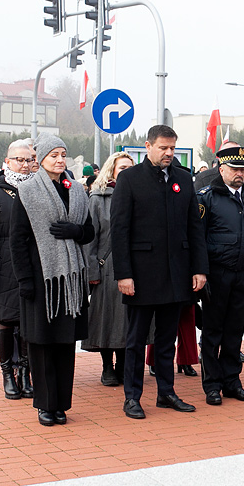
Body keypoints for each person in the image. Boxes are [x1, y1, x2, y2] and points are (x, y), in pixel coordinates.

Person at [111, 125, 208, 419]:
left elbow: (195, 227)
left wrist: (199, 269)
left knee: (167, 339)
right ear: (148, 146)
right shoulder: (129, 179)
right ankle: (132, 397)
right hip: (141, 275)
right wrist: (123, 274)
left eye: (172, 148)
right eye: (163, 147)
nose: (169, 153)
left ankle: (166, 392)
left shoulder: (182, 179)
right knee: (136, 340)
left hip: (177, 274)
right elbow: (119, 230)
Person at [6, 134, 92, 425]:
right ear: (41, 159)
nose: (59, 160)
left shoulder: (77, 190)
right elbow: (17, 240)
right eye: (53, 155)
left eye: (63, 154)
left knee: (65, 344)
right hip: (42, 280)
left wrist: (75, 232)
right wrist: (25, 280)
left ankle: (61, 404)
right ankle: (45, 404)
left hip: (70, 281)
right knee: (42, 344)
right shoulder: (28, 192)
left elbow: (89, 232)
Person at [197, 145, 244, 405]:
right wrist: (200, 273)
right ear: (222, 169)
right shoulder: (207, 197)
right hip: (217, 274)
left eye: (243, 169)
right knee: (213, 331)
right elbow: (198, 240)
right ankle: (212, 385)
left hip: (242, 274)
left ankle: (231, 381)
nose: (240, 173)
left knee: (234, 332)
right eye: (235, 169)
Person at [0, 139, 36, 401]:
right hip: (2, 267)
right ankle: (7, 374)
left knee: (26, 322)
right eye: (20, 160)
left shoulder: (37, 190)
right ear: (7, 162)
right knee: (5, 320)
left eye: (29, 159)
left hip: (30, 266)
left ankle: (25, 373)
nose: (25, 165)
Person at [82, 151, 134, 387]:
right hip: (105, 268)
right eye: (122, 167)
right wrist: (92, 271)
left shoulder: (139, 195)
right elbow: (89, 239)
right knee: (106, 319)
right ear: (111, 170)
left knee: (127, 319)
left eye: (130, 167)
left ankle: (124, 365)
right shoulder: (98, 198)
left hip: (133, 268)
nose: (126, 171)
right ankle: (107, 367)